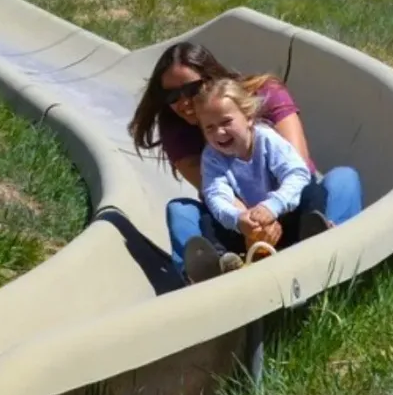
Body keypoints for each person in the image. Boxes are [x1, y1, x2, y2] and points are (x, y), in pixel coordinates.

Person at [128, 41, 363, 281]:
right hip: (242, 223)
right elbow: (216, 192)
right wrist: (250, 226)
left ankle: (330, 248)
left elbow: (299, 165)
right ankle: (210, 271)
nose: (183, 102)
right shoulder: (184, 135)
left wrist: (272, 210)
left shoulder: (265, 100)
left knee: (343, 179)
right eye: (171, 95)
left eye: (191, 89)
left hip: (293, 204)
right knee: (181, 210)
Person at [182, 78, 329, 279]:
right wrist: (237, 219)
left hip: (284, 215)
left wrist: (273, 206)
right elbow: (216, 194)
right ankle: (222, 263)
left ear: (248, 117)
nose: (219, 132)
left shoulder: (267, 140)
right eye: (210, 128)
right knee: (209, 217)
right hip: (246, 228)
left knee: (311, 189)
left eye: (226, 122)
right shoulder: (212, 158)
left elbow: (297, 172)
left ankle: (313, 235)